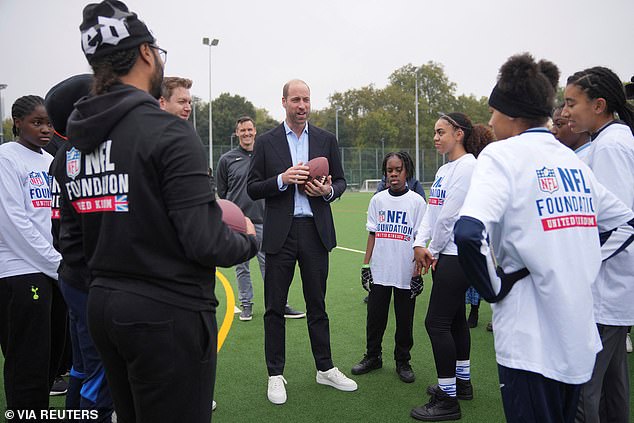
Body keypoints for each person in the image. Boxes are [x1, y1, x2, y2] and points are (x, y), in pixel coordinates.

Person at [59, 2, 258, 422]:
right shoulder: (168, 131)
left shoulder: (75, 146)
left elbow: (71, 245)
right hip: (166, 315)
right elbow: (204, 240)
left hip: (104, 309)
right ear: (147, 53)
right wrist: (249, 241)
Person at [453, 53, 634, 423]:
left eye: (493, 112)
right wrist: (578, 258)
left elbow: (469, 232)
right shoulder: (574, 160)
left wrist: (495, 289)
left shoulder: (501, 156)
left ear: (513, 114)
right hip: (577, 339)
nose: (489, 121)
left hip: (528, 342)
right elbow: (626, 222)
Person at [247, 79, 357, 405]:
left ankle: (325, 368)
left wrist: (328, 191)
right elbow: (253, 188)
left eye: (306, 99)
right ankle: (275, 374)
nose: (302, 105)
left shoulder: (326, 139)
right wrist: (282, 180)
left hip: (314, 230)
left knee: (317, 305)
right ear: (283, 102)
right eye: (295, 99)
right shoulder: (266, 143)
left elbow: (340, 181)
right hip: (280, 233)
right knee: (274, 308)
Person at [410, 112, 494, 421]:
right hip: (445, 254)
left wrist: (430, 251)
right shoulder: (445, 169)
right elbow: (432, 212)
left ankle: (447, 399)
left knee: (436, 323)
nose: (435, 136)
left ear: (459, 133)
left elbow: (449, 218)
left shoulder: (469, 166)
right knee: (456, 318)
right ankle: (462, 382)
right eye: (434, 131)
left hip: (458, 255)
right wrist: (420, 244)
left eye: (441, 131)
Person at [562, 66, 634, 423]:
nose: (565, 112)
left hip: (605, 289)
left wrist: (578, 266)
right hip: (611, 288)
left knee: (584, 390)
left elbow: (624, 223)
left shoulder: (611, 145)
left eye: (572, 103)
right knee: (612, 386)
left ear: (599, 104)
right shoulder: (607, 142)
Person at [46, 73, 115, 420]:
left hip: (73, 277)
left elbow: (61, 233)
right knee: (99, 374)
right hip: (89, 280)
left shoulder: (64, 156)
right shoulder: (87, 156)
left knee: (81, 366)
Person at [0, 95, 65, 414]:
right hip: (19, 272)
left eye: (49, 123)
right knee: (26, 361)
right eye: (37, 122)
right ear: (17, 123)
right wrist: (58, 265)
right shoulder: (6, 158)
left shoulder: (49, 161)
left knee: (50, 359)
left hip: (51, 270)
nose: (45, 130)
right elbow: (14, 223)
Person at [216, 116, 305, 321]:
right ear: (237, 133)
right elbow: (223, 191)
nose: (246, 134)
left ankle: (279, 304)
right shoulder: (227, 159)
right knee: (242, 266)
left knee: (271, 266)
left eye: (249, 130)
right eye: (242, 130)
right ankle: (246, 305)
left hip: (266, 220)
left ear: (255, 131)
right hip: (238, 224)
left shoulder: (265, 154)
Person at [352, 151, 426, 383]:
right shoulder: (378, 200)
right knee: (375, 318)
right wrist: (366, 265)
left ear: (407, 172)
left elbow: (421, 240)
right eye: (389, 170)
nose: (393, 175)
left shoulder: (416, 202)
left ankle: (403, 360)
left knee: (404, 320)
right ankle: (373, 356)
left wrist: (417, 272)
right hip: (380, 270)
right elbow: (372, 235)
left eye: (398, 170)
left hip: (405, 271)